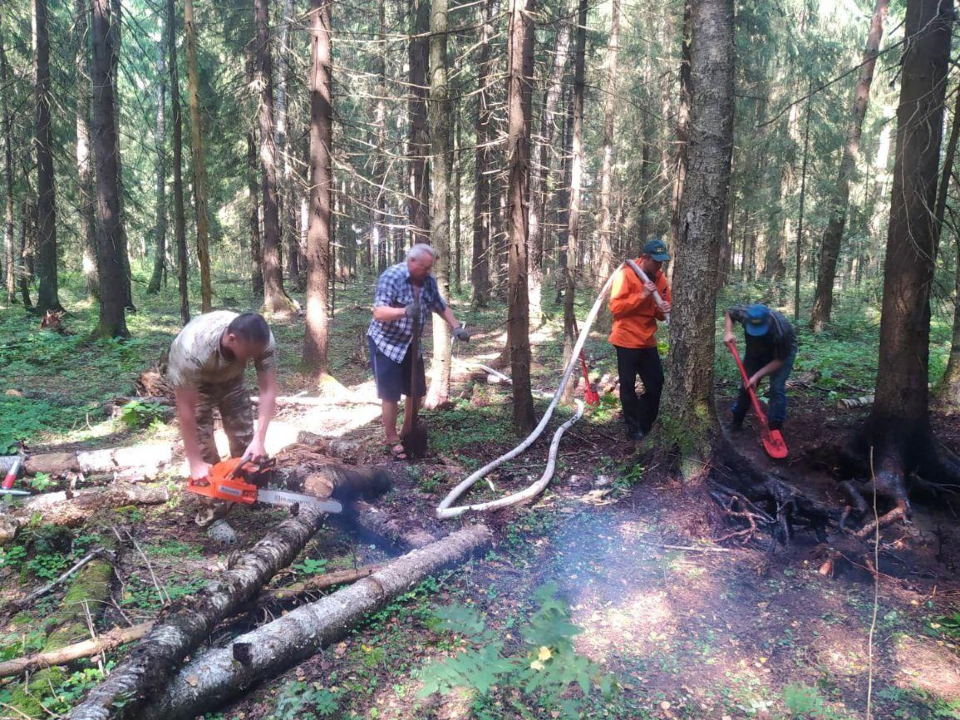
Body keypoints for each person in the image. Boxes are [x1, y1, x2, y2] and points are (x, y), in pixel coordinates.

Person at [167, 311, 278, 541]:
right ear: (231, 339)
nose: (251, 359)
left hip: (232, 380)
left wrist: (260, 440)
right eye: (248, 355)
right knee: (204, 450)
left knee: (246, 440)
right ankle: (211, 516)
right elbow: (185, 409)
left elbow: (268, 390)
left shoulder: (263, 341)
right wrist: (195, 461)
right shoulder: (192, 349)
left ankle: (251, 494)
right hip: (197, 385)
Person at [368, 244, 470, 459]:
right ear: (412, 262)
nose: (427, 272)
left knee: (415, 392)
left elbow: (439, 305)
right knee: (390, 394)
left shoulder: (427, 281)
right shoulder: (392, 276)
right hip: (386, 343)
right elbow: (379, 312)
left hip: (411, 345)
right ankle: (391, 437)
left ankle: (407, 431)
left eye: (430, 268)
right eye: (424, 267)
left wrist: (456, 326)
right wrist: (404, 311)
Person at [608, 237, 672, 440]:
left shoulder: (660, 279)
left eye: (662, 261)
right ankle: (633, 429)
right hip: (626, 339)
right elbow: (616, 308)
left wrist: (663, 310)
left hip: (647, 340)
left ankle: (646, 423)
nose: (659, 265)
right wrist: (642, 294)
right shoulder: (626, 275)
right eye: (656, 261)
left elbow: (661, 313)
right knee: (628, 387)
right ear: (645, 258)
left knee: (656, 385)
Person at [723, 303, 797, 432]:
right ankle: (736, 423)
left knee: (776, 388)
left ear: (769, 319)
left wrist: (757, 376)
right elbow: (730, 312)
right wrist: (728, 332)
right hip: (756, 352)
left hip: (780, 355)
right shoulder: (746, 313)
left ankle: (775, 428)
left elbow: (779, 360)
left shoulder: (782, 331)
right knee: (746, 386)